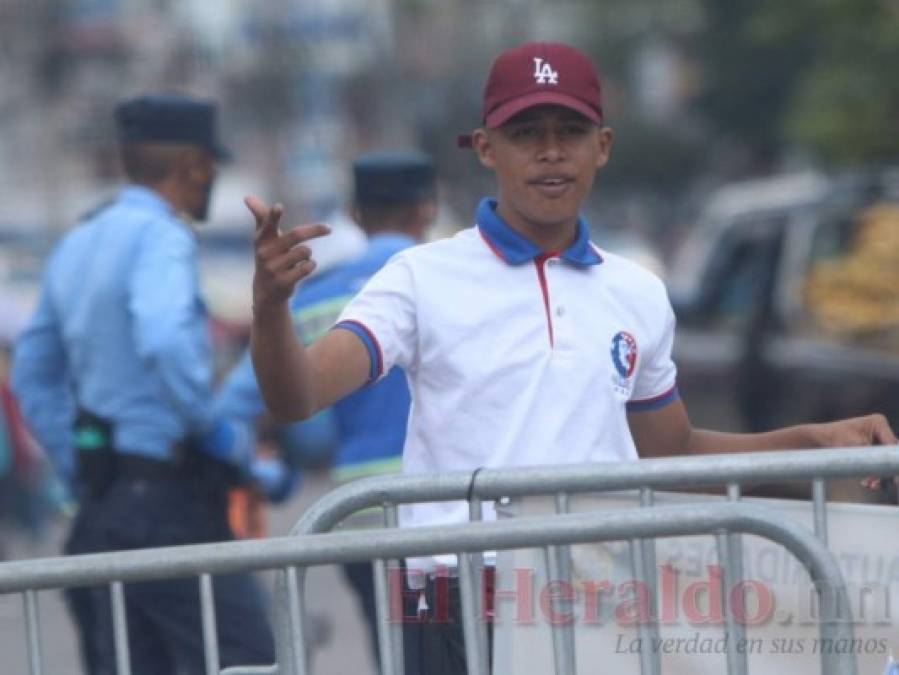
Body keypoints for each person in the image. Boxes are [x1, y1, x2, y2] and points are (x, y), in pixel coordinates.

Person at [245, 42, 898, 675]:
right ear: (485, 148)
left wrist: (811, 441)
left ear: (602, 146)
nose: (550, 150)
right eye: (525, 131)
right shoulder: (419, 275)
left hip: (597, 591)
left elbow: (669, 455)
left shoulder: (637, 291)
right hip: (455, 593)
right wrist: (271, 305)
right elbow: (297, 395)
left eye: (570, 129)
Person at [11, 94, 276, 674]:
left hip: (102, 508)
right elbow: (162, 338)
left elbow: (33, 371)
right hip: (170, 505)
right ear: (195, 166)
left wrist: (81, 463)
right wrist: (208, 427)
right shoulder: (163, 237)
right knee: (248, 664)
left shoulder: (77, 242)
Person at [216, 150, 438, 668]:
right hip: (443, 505)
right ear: (426, 210)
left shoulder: (316, 295)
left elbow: (236, 403)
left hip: (358, 509)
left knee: (393, 650)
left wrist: (261, 467)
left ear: (357, 215)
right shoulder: (449, 283)